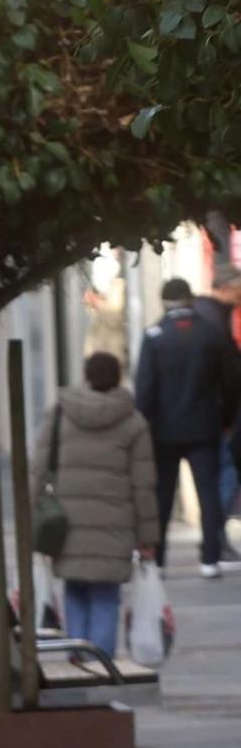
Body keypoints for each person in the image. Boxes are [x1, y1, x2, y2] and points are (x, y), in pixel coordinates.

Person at [36, 353, 160, 657]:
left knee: (75, 590)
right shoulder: (133, 422)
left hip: (67, 524)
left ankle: (76, 658)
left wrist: (30, 519)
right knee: (106, 595)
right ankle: (100, 665)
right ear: (119, 377)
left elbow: (38, 468)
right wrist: (148, 538)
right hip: (114, 528)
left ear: (86, 375)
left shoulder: (61, 414)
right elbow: (143, 486)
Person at [135, 278, 241, 577]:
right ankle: (209, 558)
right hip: (205, 427)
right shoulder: (212, 333)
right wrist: (226, 420)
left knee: (163, 497)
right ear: (190, 299)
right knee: (208, 493)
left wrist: (144, 425)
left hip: (163, 432)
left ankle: (158, 560)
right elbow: (232, 381)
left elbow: (145, 387)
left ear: (164, 301)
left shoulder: (154, 336)